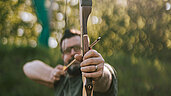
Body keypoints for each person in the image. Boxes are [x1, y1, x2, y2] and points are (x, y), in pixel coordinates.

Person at [23, 29, 117, 96]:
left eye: (77, 48)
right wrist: (50, 74)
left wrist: (97, 73)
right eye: (67, 50)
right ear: (62, 56)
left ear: (87, 49)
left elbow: (105, 80)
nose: (73, 53)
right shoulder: (61, 79)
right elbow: (28, 67)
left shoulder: (93, 73)